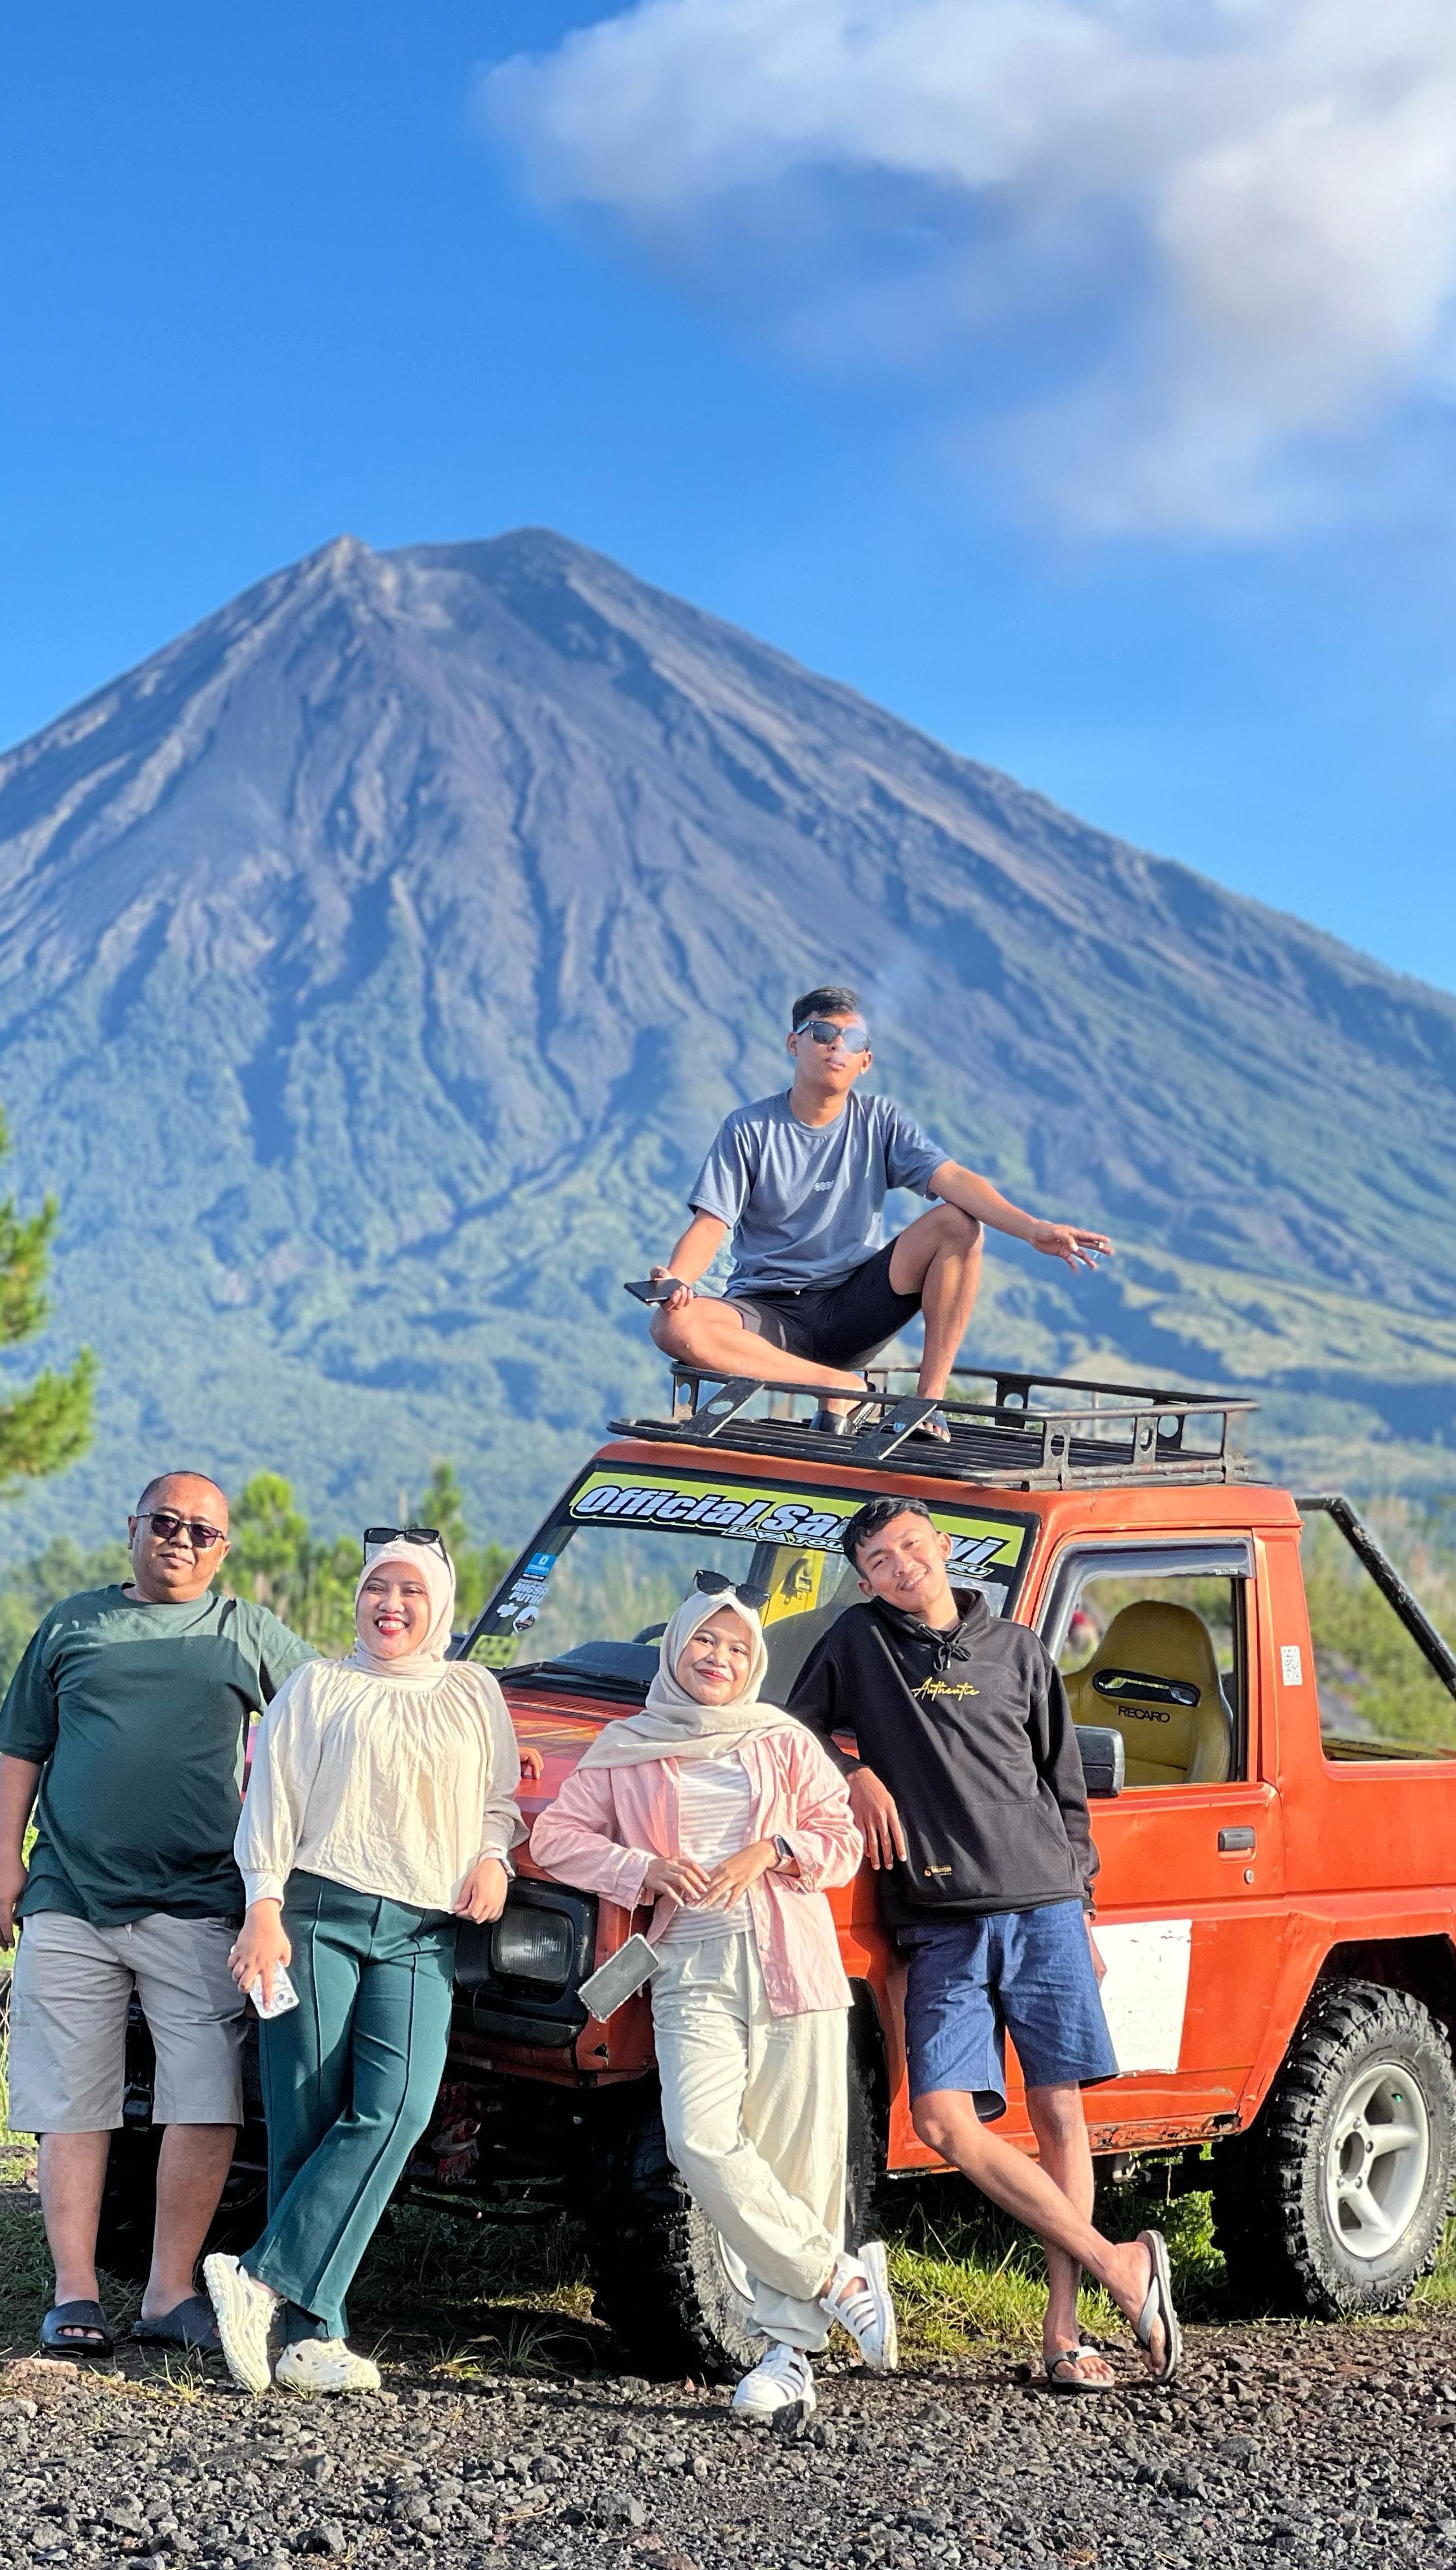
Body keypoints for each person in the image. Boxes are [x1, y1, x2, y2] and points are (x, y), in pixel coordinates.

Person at [787, 1496, 1182, 2391]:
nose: (903, 1566)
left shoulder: (1017, 1651)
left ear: (945, 1548)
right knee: (941, 2122)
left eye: (914, 1547)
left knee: (1059, 2114)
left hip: (1044, 1907)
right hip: (938, 1923)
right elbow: (792, 1726)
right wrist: (857, 1776)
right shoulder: (859, 1642)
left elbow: (1065, 1789)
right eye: (882, 1558)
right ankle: (1126, 2266)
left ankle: (1064, 2332)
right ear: (865, 1578)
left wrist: (1081, 1910)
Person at [533, 1579, 897, 2418]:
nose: (719, 1659)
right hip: (687, 1964)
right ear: (676, 1648)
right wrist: (642, 1870)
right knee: (700, 2140)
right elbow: (555, 1837)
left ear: (755, 1663)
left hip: (790, 1961)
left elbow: (841, 1843)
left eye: (737, 1649)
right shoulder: (629, 1742)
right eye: (705, 1643)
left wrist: (770, 1851)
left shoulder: (784, 1741)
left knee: (797, 2160)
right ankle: (834, 2274)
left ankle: (785, 2358)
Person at [0, 1470, 316, 2360]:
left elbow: (331, 1717)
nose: (181, 1539)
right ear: (132, 1527)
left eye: (202, 1531)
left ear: (224, 1550)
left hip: (203, 1900)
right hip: (68, 1896)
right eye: (165, 1523)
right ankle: (74, 2294)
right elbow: (24, 1747)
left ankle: (170, 2295)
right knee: (72, 2101)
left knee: (205, 2100)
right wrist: (3, 1864)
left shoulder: (243, 1630)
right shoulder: (73, 1623)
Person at [205, 1528, 525, 2396]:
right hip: (313, 1913)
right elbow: (268, 1801)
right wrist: (262, 1910)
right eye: (378, 1588)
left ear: (441, 1605)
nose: (392, 1605)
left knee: (397, 2108)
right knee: (304, 2119)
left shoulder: (472, 1691)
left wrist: (495, 1855)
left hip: (423, 1928)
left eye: (412, 1592)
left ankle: (258, 2277)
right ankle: (313, 2340)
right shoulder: (317, 1686)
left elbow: (500, 1800)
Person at [644, 986, 1112, 1415]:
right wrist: (677, 1282)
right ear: (794, 1044)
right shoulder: (748, 1128)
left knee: (958, 1223)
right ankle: (836, 1386)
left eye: (852, 1039)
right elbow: (711, 1224)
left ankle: (927, 1405)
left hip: (854, 1307)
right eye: (823, 1032)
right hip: (767, 1312)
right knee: (673, 1327)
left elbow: (954, 1178)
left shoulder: (880, 1121)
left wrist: (1033, 1230)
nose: (836, 1046)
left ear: (864, 1061)